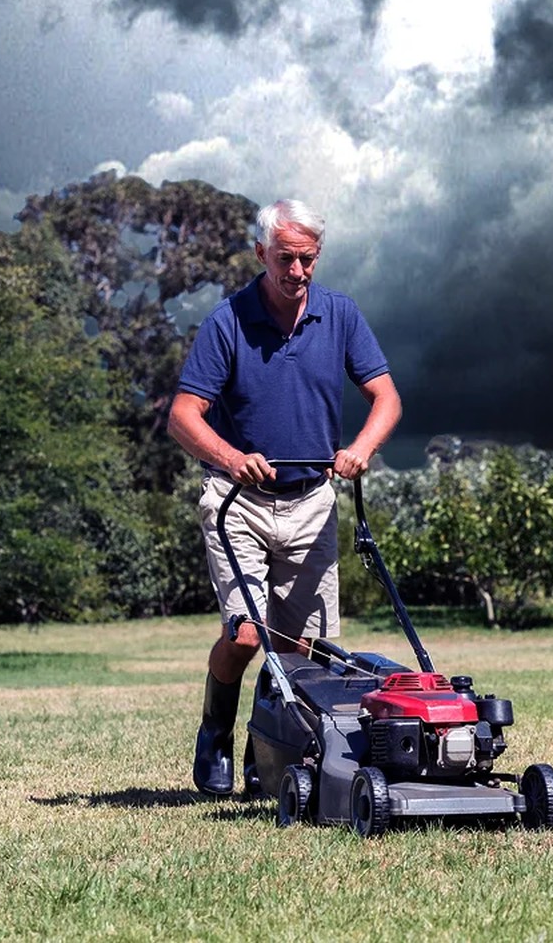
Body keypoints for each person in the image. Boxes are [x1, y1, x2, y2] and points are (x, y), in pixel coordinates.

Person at [167, 198, 401, 797]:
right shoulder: (228, 321)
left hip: (312, 501)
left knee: (299, 652)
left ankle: (265, 750)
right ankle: (214, 733)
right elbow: (183, 417)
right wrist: (231, 458)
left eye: (308, 260)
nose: (297, 273)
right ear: (260, 254)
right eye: (285, 259)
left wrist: (361, 449)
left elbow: (387, 399)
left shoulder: (340, 316)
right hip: (236, 499)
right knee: (248, 635)